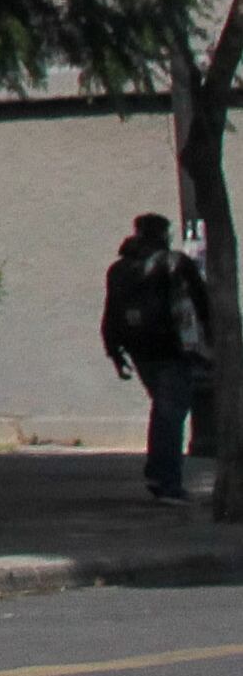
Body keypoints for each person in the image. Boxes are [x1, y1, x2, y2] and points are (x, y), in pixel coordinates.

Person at [98, 212, 216, 507]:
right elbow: (203, 304)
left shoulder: (119, 269)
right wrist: (212, 343)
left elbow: (111, 314)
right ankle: (167, 481)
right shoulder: (175, 262)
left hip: (139, 350)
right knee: (170, 413)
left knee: (164, 410)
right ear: (163, 233)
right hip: (172, 349)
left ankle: (159, 474)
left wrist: (115, 352)